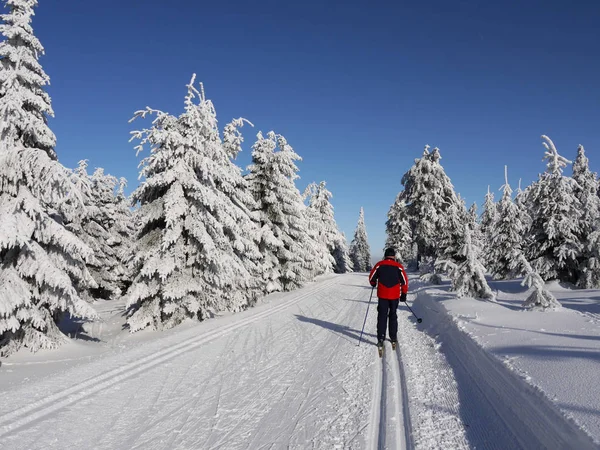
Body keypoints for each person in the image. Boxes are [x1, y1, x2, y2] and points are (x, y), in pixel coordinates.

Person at [368, 248, 409, 349]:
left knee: (382, 316)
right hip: (394, 296)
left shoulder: (379, 265)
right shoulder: (399, 267)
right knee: (393, 315)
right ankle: (393, 337)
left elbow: (371, 277)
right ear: (394, 256)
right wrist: (404, 293)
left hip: (382, 295)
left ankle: (381, 338)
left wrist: (373, 283)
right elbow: (404, 281)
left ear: (385, 255)